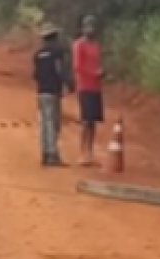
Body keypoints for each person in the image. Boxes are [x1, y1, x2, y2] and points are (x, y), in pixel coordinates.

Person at [32, 23, 73, 166]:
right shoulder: (57, 51)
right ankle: (52, 154)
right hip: (53, 92)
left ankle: (44, 153)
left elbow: (35, 75)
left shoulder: (38, 54)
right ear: (54, 37)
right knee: (53, 123)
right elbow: (59, 70)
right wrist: (68, 83)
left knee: (43, 123)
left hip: (41, 92)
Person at [72, 15, 105, 167]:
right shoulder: (79, 45)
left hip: (96, 87)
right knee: (86, 121)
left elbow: (98, 62)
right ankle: (81, 152)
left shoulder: (96, 45)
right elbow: (77, 67)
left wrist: (101, 72)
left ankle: (89, 152)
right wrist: (94, 73)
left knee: (93, 122)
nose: (90, 29)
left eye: (93, 26)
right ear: (82, 28)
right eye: (87, 26)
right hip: (85, 86)